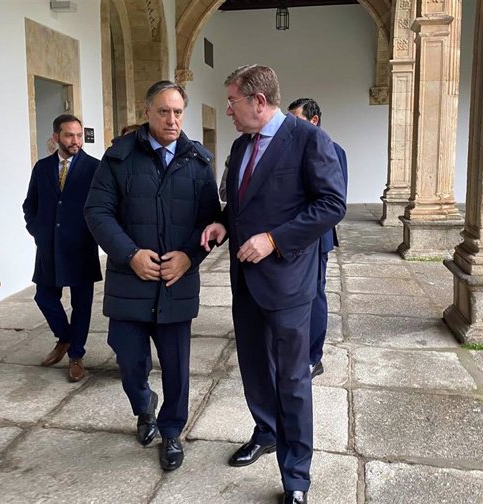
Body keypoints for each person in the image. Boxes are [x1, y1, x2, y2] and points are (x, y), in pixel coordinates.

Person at [201, 65, 346, 504]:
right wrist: (222, 223)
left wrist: (274, 240)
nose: (228, 110)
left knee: (292, 380)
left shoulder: (309, 140)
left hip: (287, 284)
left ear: (258, 102)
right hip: (245, 281)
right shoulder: (242, 145)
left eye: (232, 101)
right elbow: (243, 205)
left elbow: (332, 204)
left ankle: (296, 478)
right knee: (254, 371)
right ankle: (265, 432)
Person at [84, 81, 220, 472]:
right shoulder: (119, 158)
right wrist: (129, 254)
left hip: (177, 283)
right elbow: (97, 213)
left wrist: (190, 258)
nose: (172, 120)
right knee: (129, 361)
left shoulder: (197, 162)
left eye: (178, 112)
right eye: (164, 111)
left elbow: (210, 221)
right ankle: (144, 406)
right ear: (147, 112)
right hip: (131, 281)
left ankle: (172, 430)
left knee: (177, 366)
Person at [22, 114, 102, 383]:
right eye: (69, 135)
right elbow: (29, 203)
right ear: (56, 137)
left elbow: (102, 207)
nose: (75, 141)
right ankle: (65, 338)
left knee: (82, 305)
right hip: (48, 246)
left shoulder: (95, 167)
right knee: (44, 296)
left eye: (79, 135)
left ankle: (76, 356)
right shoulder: (42, 167)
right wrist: (37, 230)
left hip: (80, 246)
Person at [287, 98, 348, 379]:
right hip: (290, 238)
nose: (290, 126)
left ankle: (313, 357)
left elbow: (335, 202)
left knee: (315, 295)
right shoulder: (289, 149)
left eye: (295, 119)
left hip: (315, 237)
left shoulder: (334, 151)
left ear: (313, 121)